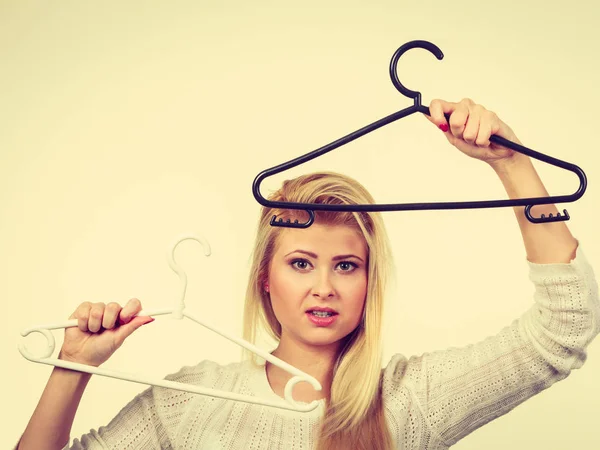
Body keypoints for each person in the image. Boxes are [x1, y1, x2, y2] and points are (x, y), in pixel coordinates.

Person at [16, 98, 600, 450]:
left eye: (346, 265)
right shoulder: (191, 402)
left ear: (370, 281)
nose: (324, 287)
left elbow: (563, 331)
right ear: (265, 279)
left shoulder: (407, 400)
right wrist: (73, 367)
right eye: (301, 263)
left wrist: (512, 163)